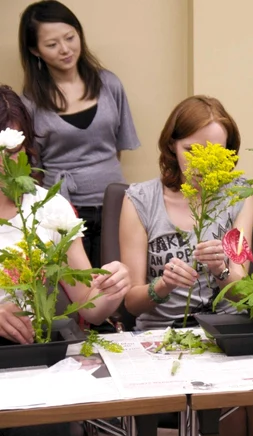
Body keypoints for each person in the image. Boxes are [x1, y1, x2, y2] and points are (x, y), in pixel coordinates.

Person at [119, 95, 253, 436]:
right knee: (246, 401)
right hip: (162, 338)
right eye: (191, 150)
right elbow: (131, 301)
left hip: (225, 332)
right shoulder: (140, 201)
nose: (201, 163)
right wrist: (161, 286)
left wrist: (222, 269)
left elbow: (241, 282)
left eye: (215, 152)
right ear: (171, 145)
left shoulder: (238, 196)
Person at [0, 85, 131, 436]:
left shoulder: (47, 206)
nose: (8, 160)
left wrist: (112, 285)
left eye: (15, 148)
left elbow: (89, 307)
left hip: (29, 356)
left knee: (35, 424)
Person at [19, 0, 140, 267]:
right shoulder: (30, 102)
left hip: (115, 202)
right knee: (76, 294)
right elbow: (31, 166)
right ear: (34, 50)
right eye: (52, 44)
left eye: (70, 37)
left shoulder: (109, 84)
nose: (65, 49)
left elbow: (115, 146)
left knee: (115, 282)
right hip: (61, 211)